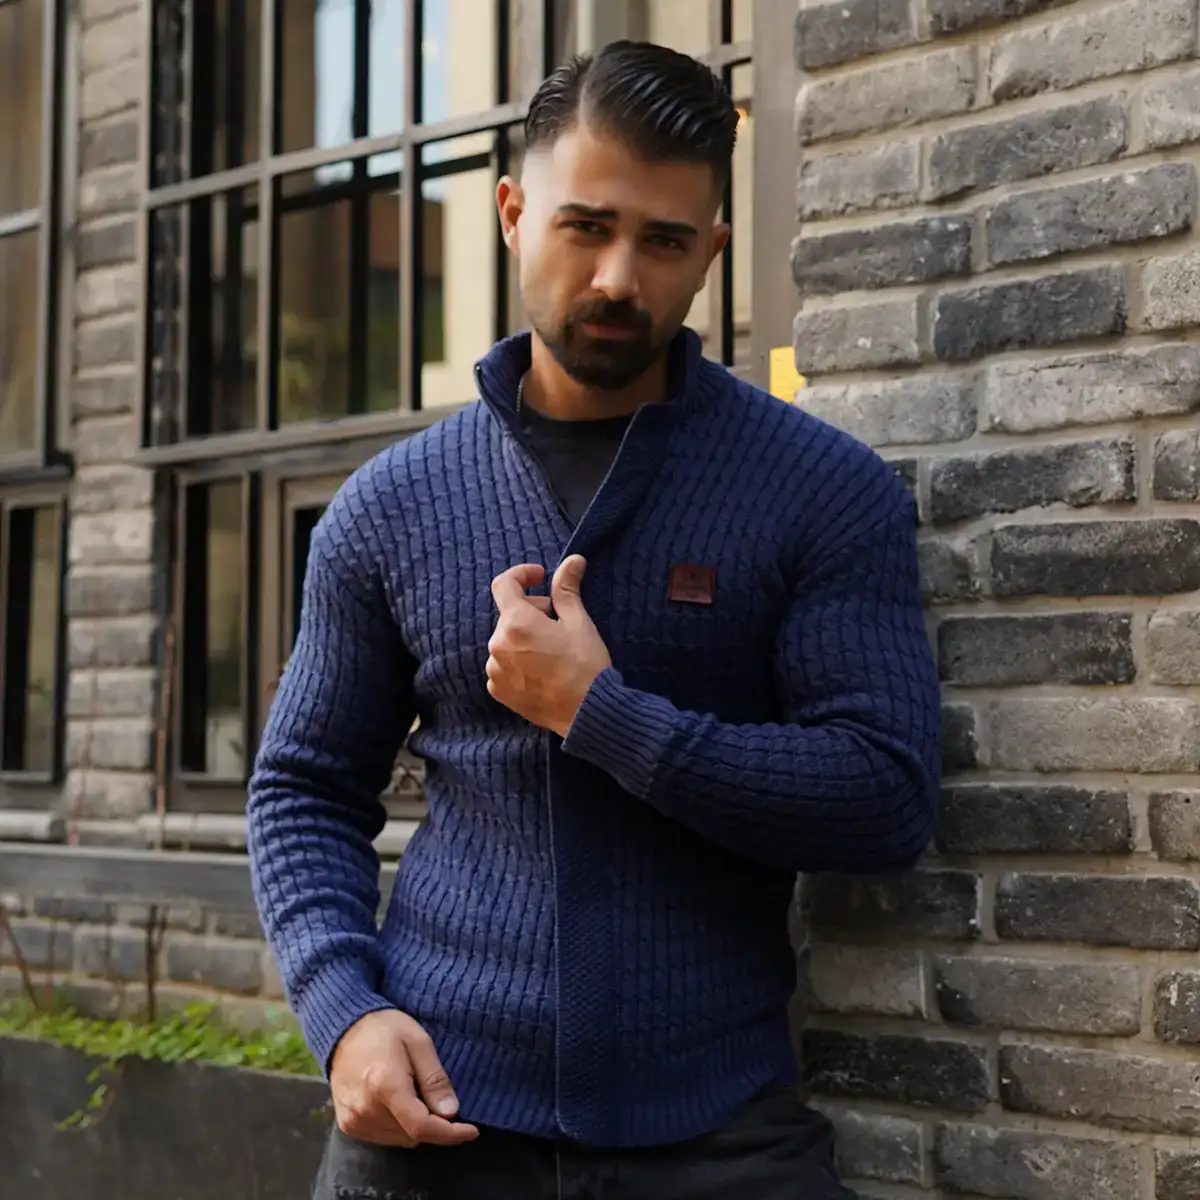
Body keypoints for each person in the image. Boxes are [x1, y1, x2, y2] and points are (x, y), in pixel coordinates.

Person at [247, 39, 940, 1200]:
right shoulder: (390, 506)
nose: (620, 276)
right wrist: (343, 1010)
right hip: (435, 1126)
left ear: (711, 251)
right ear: (514, 214)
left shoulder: (821, 490)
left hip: (720, 1131)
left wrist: (602, 715)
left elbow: (883, 796)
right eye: (587, 226)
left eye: (664, 241)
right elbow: (302, 789)